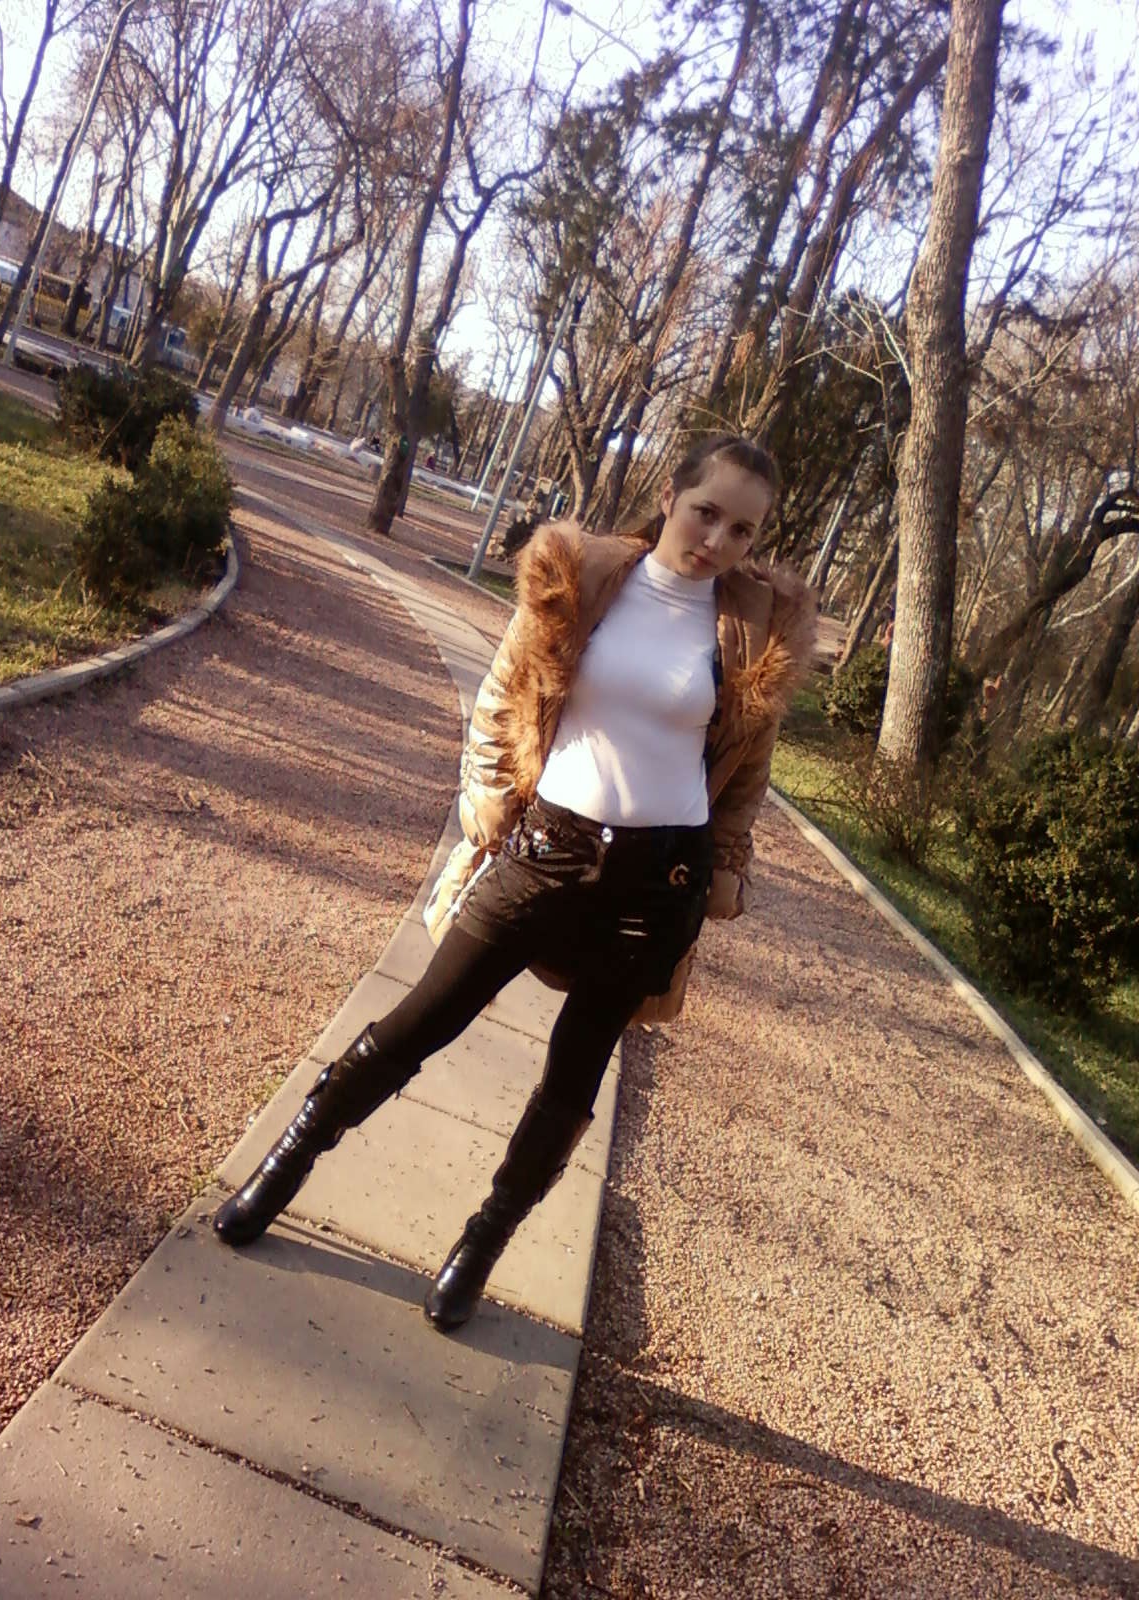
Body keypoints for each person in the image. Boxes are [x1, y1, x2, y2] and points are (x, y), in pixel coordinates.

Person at [213, 434, 817, 1331]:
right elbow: (502, 699)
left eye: (742, 530)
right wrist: (489, 794)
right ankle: (287, 1163)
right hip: (548, 848)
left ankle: (482, 1244)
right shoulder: (583, 576)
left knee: (574, 1079)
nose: (718, 541)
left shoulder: (753, 628)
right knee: (424, 1017)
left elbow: (746, 774)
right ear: (669, 495)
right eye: (706, 513)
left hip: (660, 881)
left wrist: (728, 867)